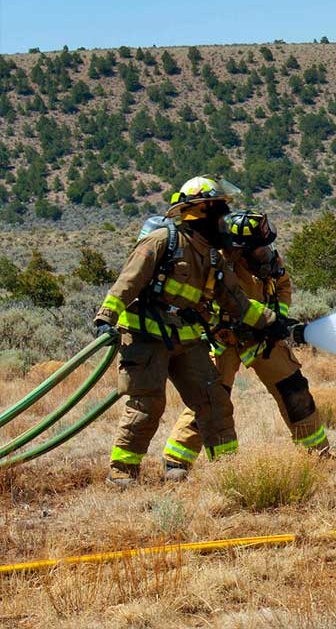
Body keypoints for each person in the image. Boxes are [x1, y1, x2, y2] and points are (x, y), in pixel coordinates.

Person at [93, 176, 291, 487]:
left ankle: (230, 473)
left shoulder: (213, 255)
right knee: (147, 405)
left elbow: (237, 302)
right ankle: (122, 474)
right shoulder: (163, 241)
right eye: (220, 212)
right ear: (201, 212)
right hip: (146, 338)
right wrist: (106, 316)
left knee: (214, 402)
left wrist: (270, 321)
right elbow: (128, 281)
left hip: (186, 340)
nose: (224, 220)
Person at [159, 210, 329, 481]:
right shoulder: (218, 266)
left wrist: (279, 317)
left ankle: (318, 456)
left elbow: (283, 285)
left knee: (295, 390)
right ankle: (176, 463)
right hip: (223, 341)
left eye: (268, 246)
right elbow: (201, 303)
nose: (268, 253)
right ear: (238, 251)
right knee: (209, 400)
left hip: (263, 340)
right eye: (260, 249)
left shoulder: (269, 261)